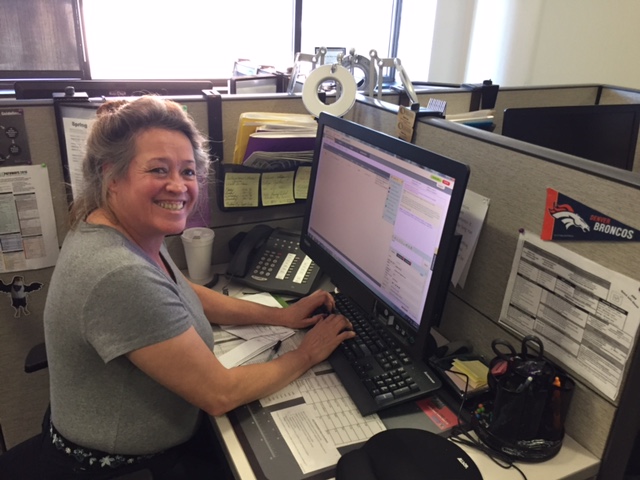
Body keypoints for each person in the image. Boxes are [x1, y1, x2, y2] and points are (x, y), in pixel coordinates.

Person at [0, 96, 354, 480]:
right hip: (124, 468)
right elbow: (220, 394)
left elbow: (181, 289)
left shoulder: (114, 227)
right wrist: (307, 354)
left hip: (130, 442)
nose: (178, 186)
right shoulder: (117, 272)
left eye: (187, 171)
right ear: (111, 176)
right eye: (158, 169)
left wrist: (281, 316)